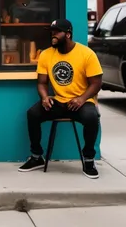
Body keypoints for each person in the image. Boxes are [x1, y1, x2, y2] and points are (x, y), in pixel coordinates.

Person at [18, 19, 103, 179]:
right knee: (33, 114)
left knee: (92, 117)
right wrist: (44, 97)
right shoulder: (46, 54)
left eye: (57, 32)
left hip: (81, 102)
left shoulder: (86, 54)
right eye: (52, 32)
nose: (53, 35)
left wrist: (82, 99)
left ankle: (89, 159)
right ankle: (37, 156)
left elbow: (96, 83)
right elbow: (42, 82)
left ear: (68, 34)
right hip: (59, 101)